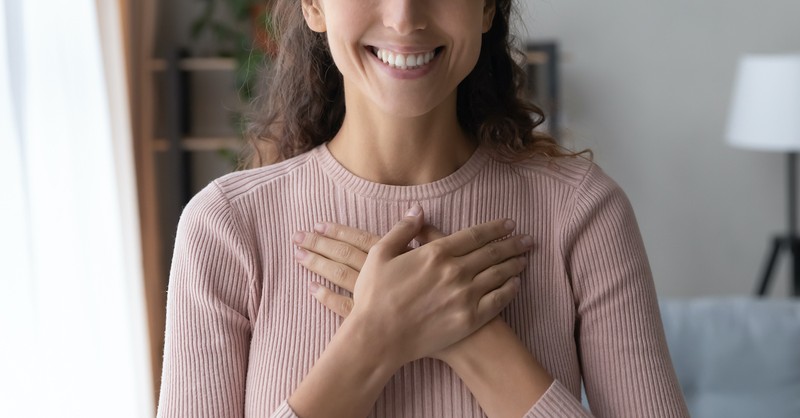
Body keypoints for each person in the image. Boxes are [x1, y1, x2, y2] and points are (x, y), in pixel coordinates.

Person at [157, 0, 690, 416]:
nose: (404, 18)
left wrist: (476, 339)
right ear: (314, 7)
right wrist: (374, 340)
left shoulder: (582, 212)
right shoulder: (227, 227)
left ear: (486, 9)